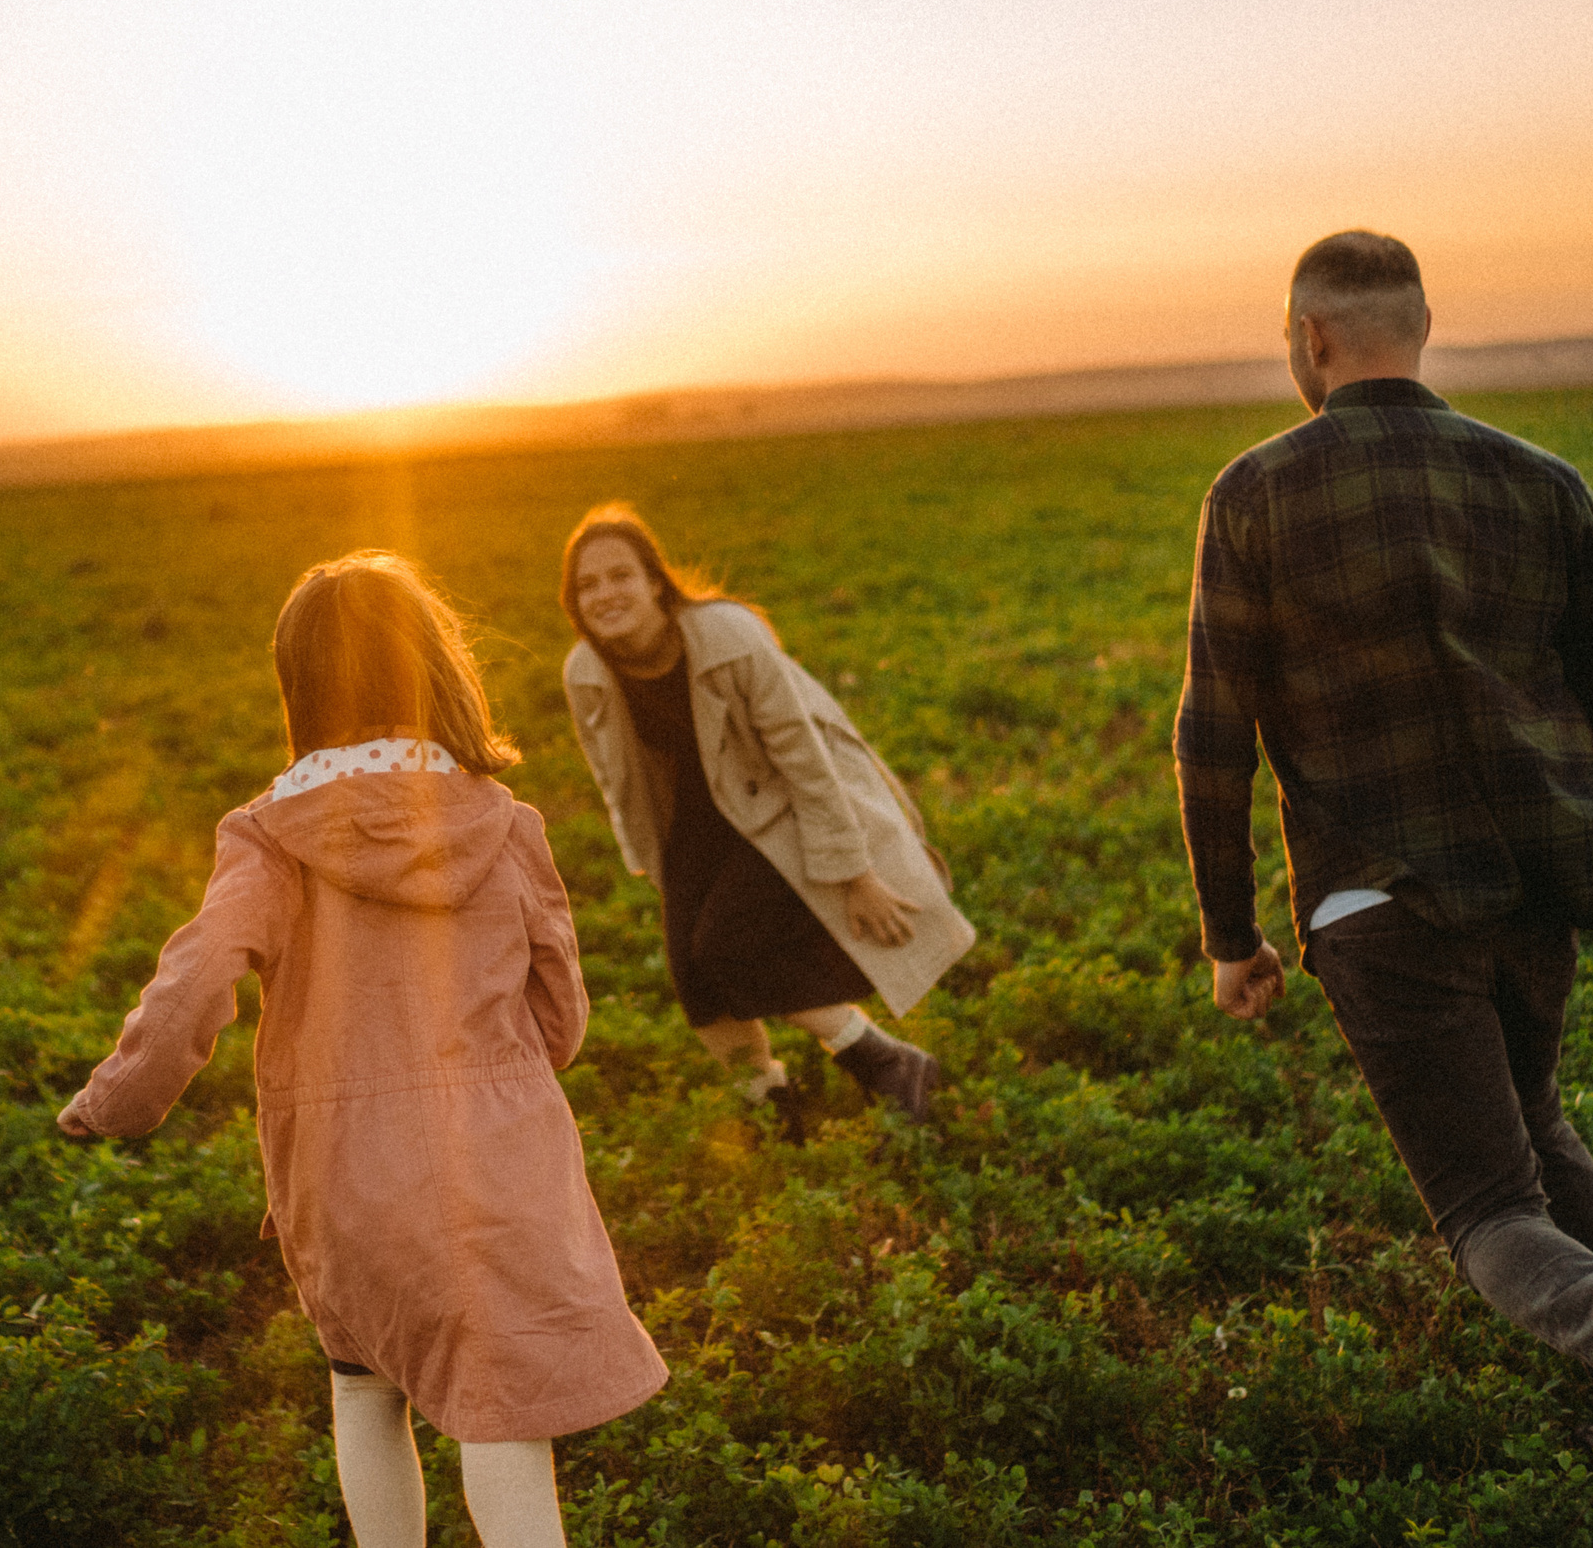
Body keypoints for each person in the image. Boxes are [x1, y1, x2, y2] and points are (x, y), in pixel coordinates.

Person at [1175, 231, 1593, 1544]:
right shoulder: (1540, 480)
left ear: (1310, 337)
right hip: (1538, 891)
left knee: (1488, 1206)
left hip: (1374, 905)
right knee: (1535, 1121)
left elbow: (1212, 733)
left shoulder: (1253, 492)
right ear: (1422, 326)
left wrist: (1230, 933)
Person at [58, 551, 666, 1548]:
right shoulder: (504, 823)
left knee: (363, 1387)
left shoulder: (268, 835)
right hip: (502, 1164)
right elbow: (561, 1010)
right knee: (503, 1410)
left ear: (299, 685)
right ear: (431, 668)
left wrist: (118, 1100)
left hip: (345, 1179)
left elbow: (196, 979)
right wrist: (509, 1072)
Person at [559, 504, 975, 1124]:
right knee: (693, 978)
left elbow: (803, 756)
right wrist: (656, 865)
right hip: (694, 824)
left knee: (727, 948)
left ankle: (887, 1059)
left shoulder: (729, 635)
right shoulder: (585, 672)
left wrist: (854, 871)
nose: (605, 594)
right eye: (587, 585)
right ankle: (772, 1109)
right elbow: (616, 781)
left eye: (621, 575)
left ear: (656, 582)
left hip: (779, 804)